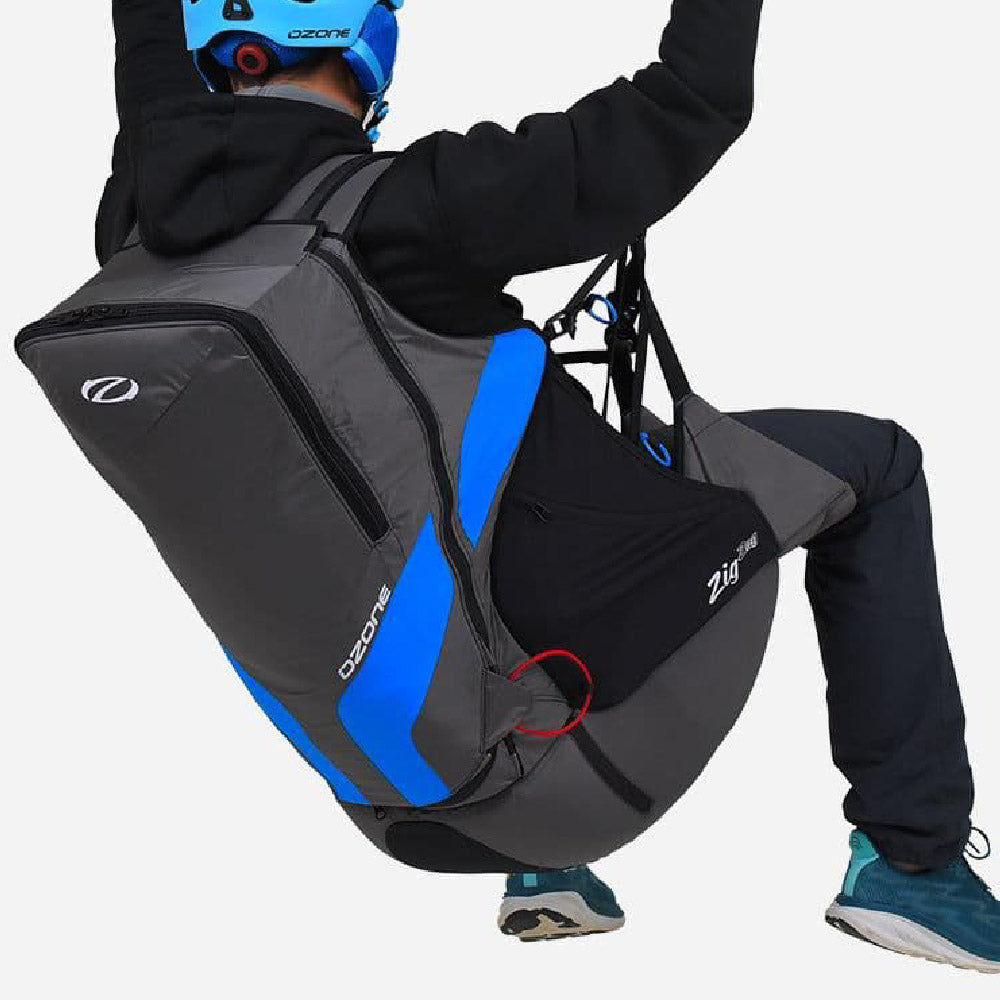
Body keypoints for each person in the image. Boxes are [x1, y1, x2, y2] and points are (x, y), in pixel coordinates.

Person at [91, 0, 997, 969]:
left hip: (400, 806)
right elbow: (692, 102)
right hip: (579, 777)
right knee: (877, 466)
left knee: (523, 440)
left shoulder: (137, 241)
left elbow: (151, 75)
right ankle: (914, 862)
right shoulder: (415, 207)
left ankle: (544, 877)